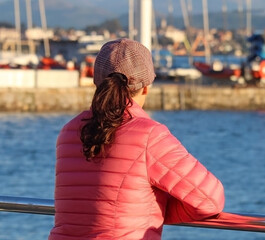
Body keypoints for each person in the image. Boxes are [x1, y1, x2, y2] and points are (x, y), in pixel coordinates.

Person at [48, 38, 225, 240]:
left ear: (97, 83)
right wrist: (154, 209)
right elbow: (211, 199)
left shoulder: (69, 131)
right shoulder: (149, 135)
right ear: (146, 87)